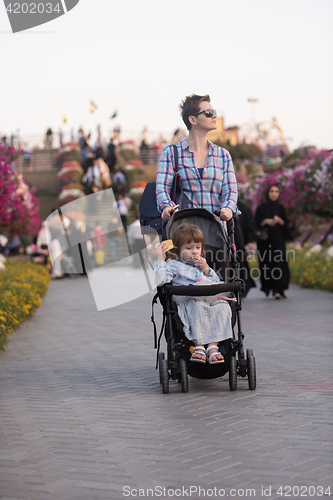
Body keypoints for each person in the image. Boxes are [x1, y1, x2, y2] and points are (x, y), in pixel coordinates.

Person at [154, 224, 236, 364]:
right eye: (189, 248)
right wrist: (160, 260)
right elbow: (161, 280)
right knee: (197, 306)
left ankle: (212, 347)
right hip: (189, 300)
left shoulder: (201, 264)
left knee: (223, 306)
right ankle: (199, 346)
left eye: (198, 247)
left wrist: (206, 269)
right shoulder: (173, 265)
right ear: (178, 249)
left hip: (208, 298)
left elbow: (214, 282)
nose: (194, 252)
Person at [156, 94, 238, 224]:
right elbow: (162, 188)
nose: (214, 116)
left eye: (214, 112)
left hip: (215, 231)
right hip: (184, 233)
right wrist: (166, 207)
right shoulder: (171, 153)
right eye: (208, 113)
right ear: (193, 120)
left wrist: (228, 207)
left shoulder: (223, 155)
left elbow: (231, 190)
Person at [254, 184, 291, 299]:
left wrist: (280, 221)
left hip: (278, 242)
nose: (274, 193)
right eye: (271, 191)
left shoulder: (281, 208)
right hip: (265, 242)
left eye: (276, 191)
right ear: (267, 193)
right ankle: (269, 287)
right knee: (267, 264)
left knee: (279, 264)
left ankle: (278, 289)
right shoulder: (261, 208)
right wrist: (265, 222)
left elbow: (287, 227)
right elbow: (255, 224)